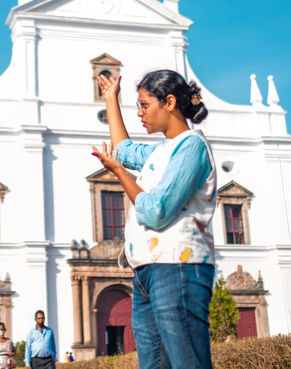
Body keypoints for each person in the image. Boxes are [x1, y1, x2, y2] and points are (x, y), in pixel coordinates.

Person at [91, 70, 216, 369]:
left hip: (179, 267)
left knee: (188, 363)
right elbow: (122, 150)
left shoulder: (192, 146)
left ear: (169, 102)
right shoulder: (161, 150)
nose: (139, 113)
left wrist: (120, 174)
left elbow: (158, 211)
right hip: (147, 271)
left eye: (144, 105)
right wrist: (111, 100)